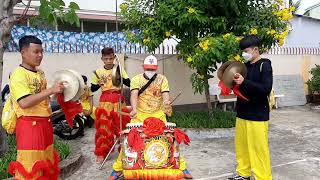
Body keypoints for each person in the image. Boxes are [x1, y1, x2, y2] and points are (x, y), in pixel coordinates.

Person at [108, 55, 193, 180]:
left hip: (158, 115)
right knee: (130, 141)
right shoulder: (136, 79)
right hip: (140, 115)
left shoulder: (162, 79)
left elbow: (165, 95)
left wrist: (166, 103)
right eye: (148, 68)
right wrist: (134, 109)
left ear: (156, 68)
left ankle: (181, 166)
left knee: (170, 139)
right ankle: (118, 169)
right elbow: (134, 95)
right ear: (143, 67)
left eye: (152, 69)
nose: (150, 71)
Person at [8, 35, 64, 179]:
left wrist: (58, 93)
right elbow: (24, 102)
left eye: (41, 52)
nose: (40, 55)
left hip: (45, 124)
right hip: (29, 126)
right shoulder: (18, 74)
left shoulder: (40, 73)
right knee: (30, 169)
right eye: (36, 52)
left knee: (46, 165)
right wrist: (50, 90)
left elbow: (42, 98)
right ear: (23, 53)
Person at [228, 35, 273, 180]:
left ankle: (263, 177)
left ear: (255, 49)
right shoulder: (244, 67)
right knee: (242, 147)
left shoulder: (264, 65)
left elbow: (265, 88)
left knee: (259, 150)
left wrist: (244, 82)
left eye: (246, 50)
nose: (244, 54)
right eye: (242, 51)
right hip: (242, 113)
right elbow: (241, 86)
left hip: (258, 114)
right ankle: (243, 174)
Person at [91, 47, 131, 163]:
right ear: (102, 59)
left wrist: (121, 77)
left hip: (118, 99)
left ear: (114, 57)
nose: (109, 61)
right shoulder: (98, 72)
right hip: (105, 100)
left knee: (122, 125)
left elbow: (129, 83)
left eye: (111, 58)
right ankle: (101, 153)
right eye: (106, 58)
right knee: (104, 127)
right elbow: (93, 89)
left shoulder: (119, 68)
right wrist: (99, 84)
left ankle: (124, 150)